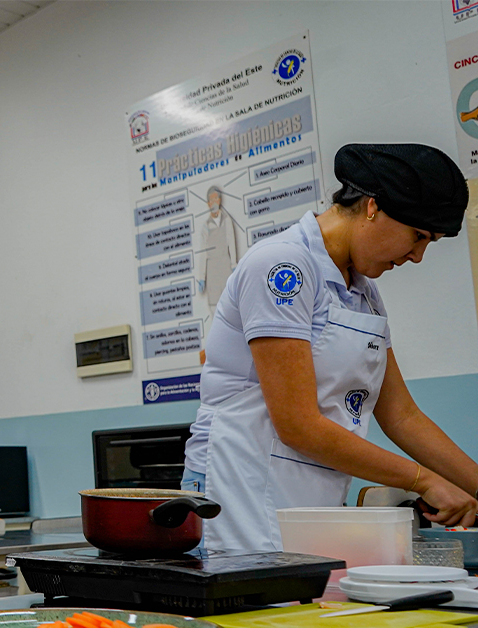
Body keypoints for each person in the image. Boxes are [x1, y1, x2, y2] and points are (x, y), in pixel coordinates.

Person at [183, 143, 478, 552]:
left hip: (310, 501)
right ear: (373, 207)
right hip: (237, 491)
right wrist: (422, 479)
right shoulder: (282, 265)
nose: (417, 256)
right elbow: (297, 425)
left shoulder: (364, 292)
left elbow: (403, 416)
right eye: (418, 236)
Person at [197, 185, 238, 308]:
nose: (214, 202)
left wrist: (234, 264)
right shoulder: (206, 226)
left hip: (225, 266)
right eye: (211, 200)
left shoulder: (227, 220)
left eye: (216, 199)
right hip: (212, 272)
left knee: (230, 303)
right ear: (208, 204)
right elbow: (203, 253)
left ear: (220, 200)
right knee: (214, 306)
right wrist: (201, 277)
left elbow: (231, 242)